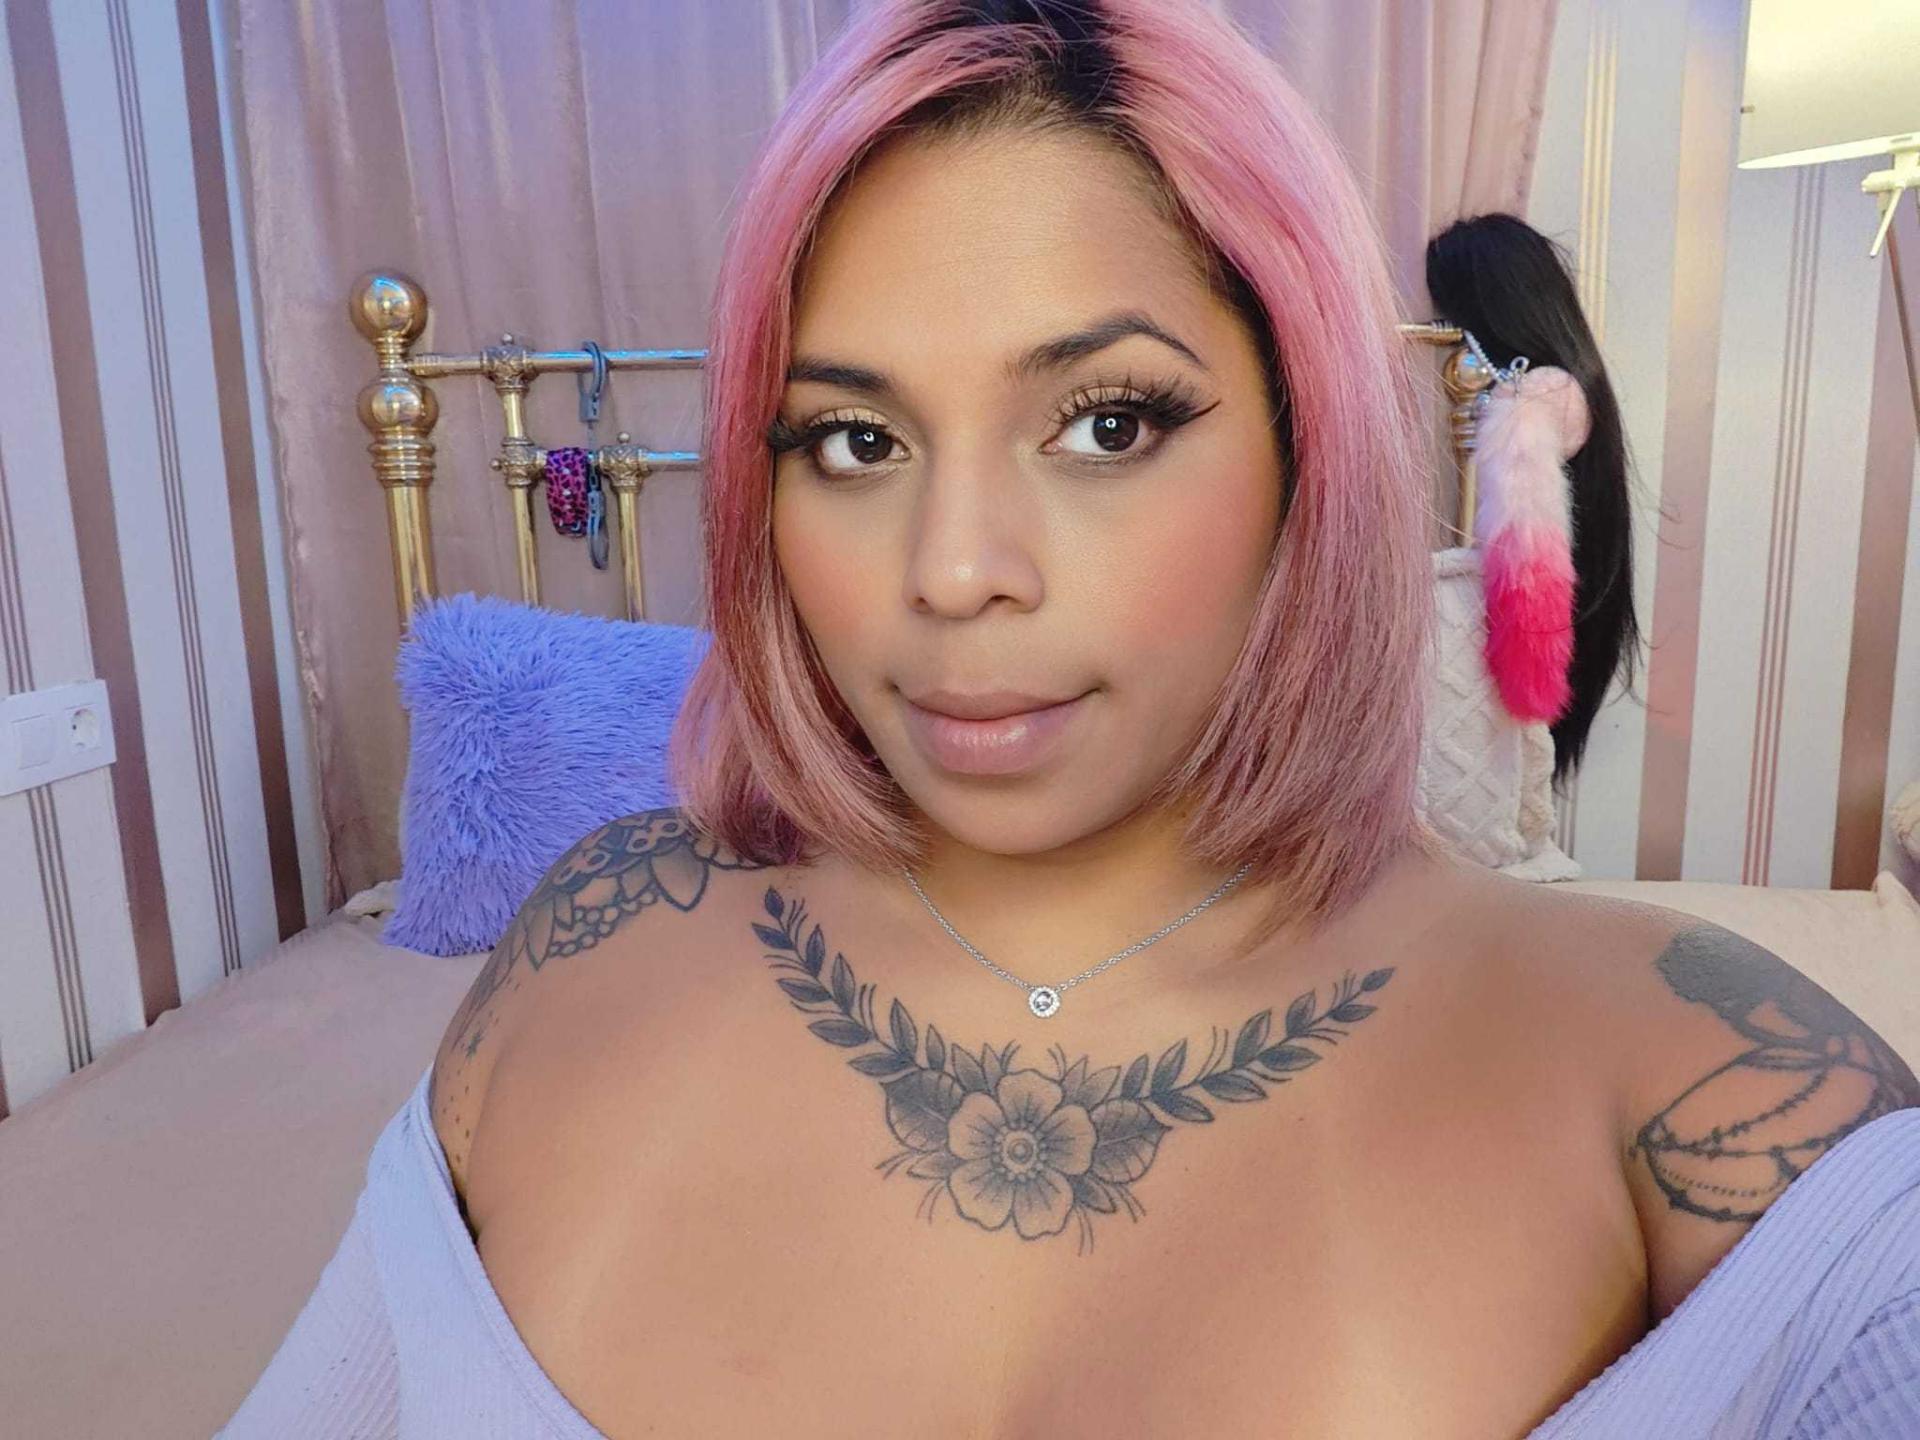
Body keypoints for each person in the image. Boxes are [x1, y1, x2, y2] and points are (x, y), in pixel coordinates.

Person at [225, 2, 1920, 1436]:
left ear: (1310, 452)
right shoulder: (589, 942)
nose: (955, 571)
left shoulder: (1704, 1075)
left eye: (1107, 424)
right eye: (855, 442)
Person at [1425, 212, 1645, 781]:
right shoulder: (1571, 385)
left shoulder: (1530, 404)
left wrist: (1529, 683)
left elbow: (1530, 568)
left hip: (1513, 668)